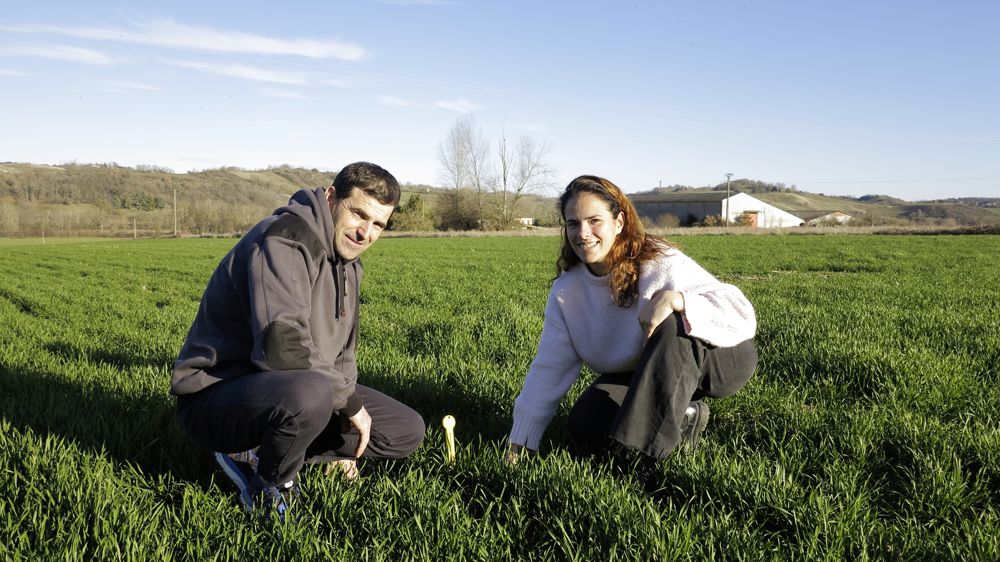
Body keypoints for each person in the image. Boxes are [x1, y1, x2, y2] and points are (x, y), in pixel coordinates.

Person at [170, 161, 425, 521]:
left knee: (405, 430)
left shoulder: (349, 265)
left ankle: (278, 447)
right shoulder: (286, 237)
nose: (365, 232)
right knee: (312, 394)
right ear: (331, 197)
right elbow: (280, 346)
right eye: (358, 214)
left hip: (292, 390)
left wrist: (344, 442)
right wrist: (348, 404)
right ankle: (265, 478)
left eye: (378, 225)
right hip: (220, 397)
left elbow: (341, 358)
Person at [507, 175, 757, 462]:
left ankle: (641, 461)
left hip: (722, 357)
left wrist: (679, 300)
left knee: (671, 323)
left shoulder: (659, 262)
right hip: (647, 369)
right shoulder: (567, 292)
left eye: (594, 220)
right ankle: (686, 413)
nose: (583, 233)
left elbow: (742, 313)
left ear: (619, 222)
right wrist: (521, 440)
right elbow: (550, 366)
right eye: (573, 224)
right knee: (586, 425)